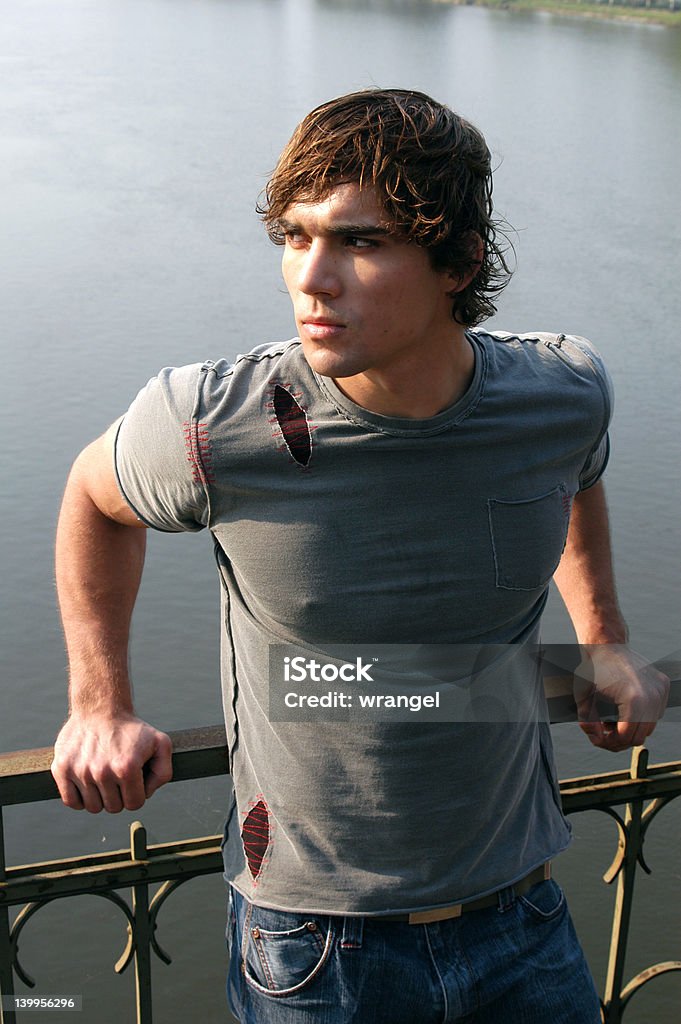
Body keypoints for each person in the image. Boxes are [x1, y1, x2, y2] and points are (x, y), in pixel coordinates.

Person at [51, 89, 669, 1023]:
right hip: (313, 951)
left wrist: (604, 640)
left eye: (360, 242)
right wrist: (100, 705)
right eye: (296, 237)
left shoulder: (561, 393)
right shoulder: (214, 424)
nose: (312, 277)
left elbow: (575, 473)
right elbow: (94, 501)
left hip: (522, 914)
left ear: (457, 261)